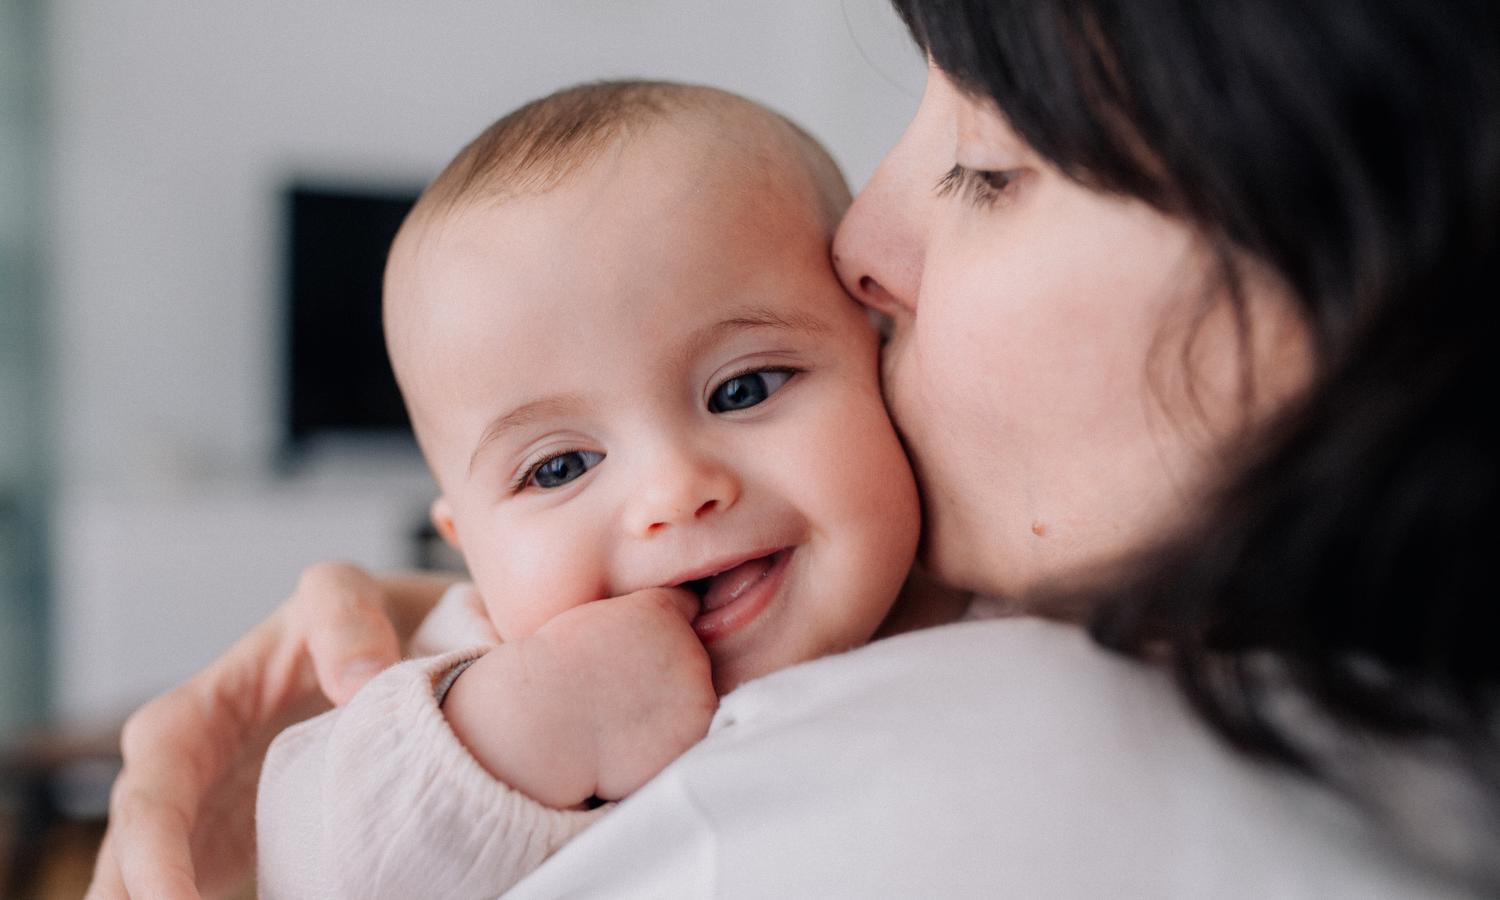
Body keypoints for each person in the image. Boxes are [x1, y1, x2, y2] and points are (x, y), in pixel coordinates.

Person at [88, 1, 1499, 897]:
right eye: (558, 468)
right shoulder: (485, 660)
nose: (864, 251)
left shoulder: (1043, 740)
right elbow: (338, 841)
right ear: (458, 530)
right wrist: (488, 724)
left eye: (991, 169)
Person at [255, 80, 963, 898]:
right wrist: (514, 733)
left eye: (745, 389)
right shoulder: (481, 663)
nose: (672, 492)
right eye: (559, 468)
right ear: (468, 548)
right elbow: (307, 867)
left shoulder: (985, 587)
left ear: (881, 355)